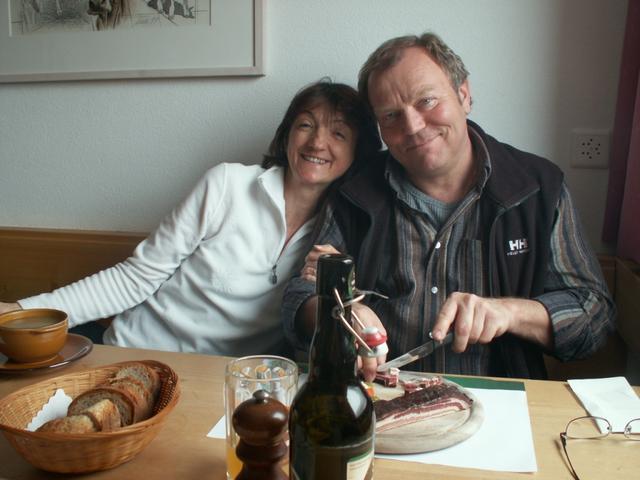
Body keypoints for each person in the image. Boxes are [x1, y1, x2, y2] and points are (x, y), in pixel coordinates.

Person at [283, 33, 615, 380]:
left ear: (463, 94)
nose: (413, 126)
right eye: (391, 115)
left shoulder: (537, 187)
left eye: (426, 101)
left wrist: (509, 313)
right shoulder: (354, 191)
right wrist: (337, 312)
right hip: (380, 393)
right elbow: (297, 297)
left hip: (501, 398)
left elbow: (594, 316)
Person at [0, 80, 381, 357]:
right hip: (137, 353)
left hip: (224, 383)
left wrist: (335, 289)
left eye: (338, 133)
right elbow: (134, 277)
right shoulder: (227, 184)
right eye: (306, 125)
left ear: (356, 153)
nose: (317, 142)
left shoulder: (344, 229)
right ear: (287, 135)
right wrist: (22, 313)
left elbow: (319, 323)